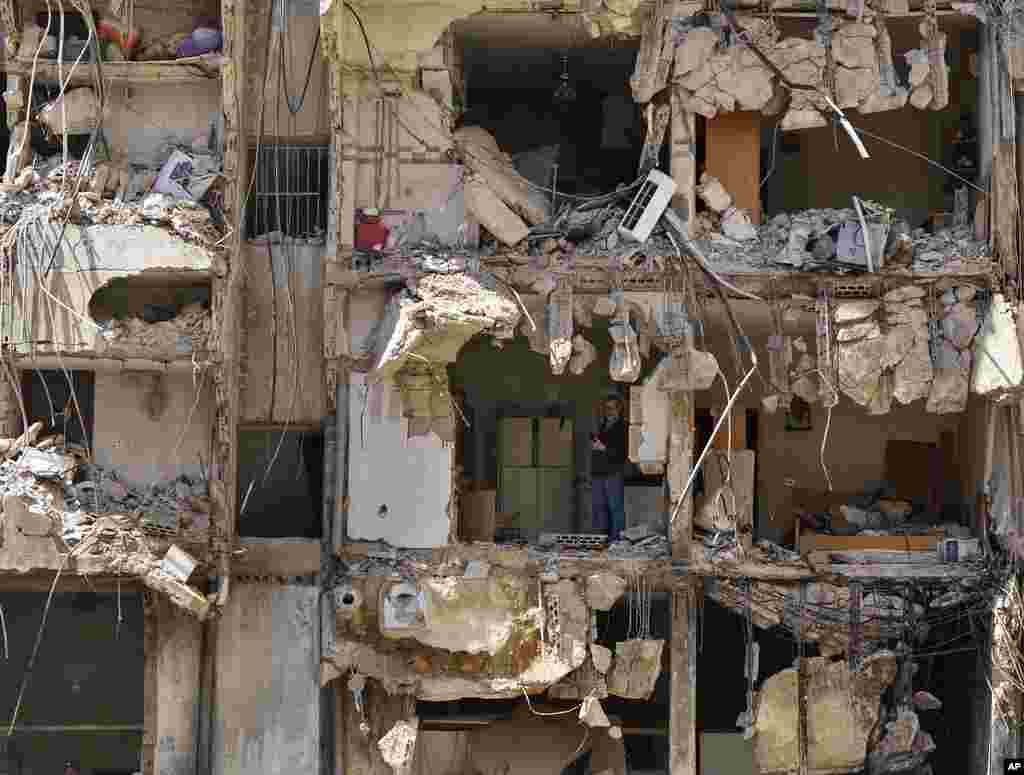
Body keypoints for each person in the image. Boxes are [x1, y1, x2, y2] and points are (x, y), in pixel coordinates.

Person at [591, 395, 627, 541]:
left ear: (619, 409)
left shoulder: (624, 427)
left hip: (613, 472)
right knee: (600, 509)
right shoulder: (603, 425)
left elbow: (624, 452)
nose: (609, 411)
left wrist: (604, 448)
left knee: (615, 509)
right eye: (607, 408)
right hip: (599, 472)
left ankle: (617, 541)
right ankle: (602, 541)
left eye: (612, 408)